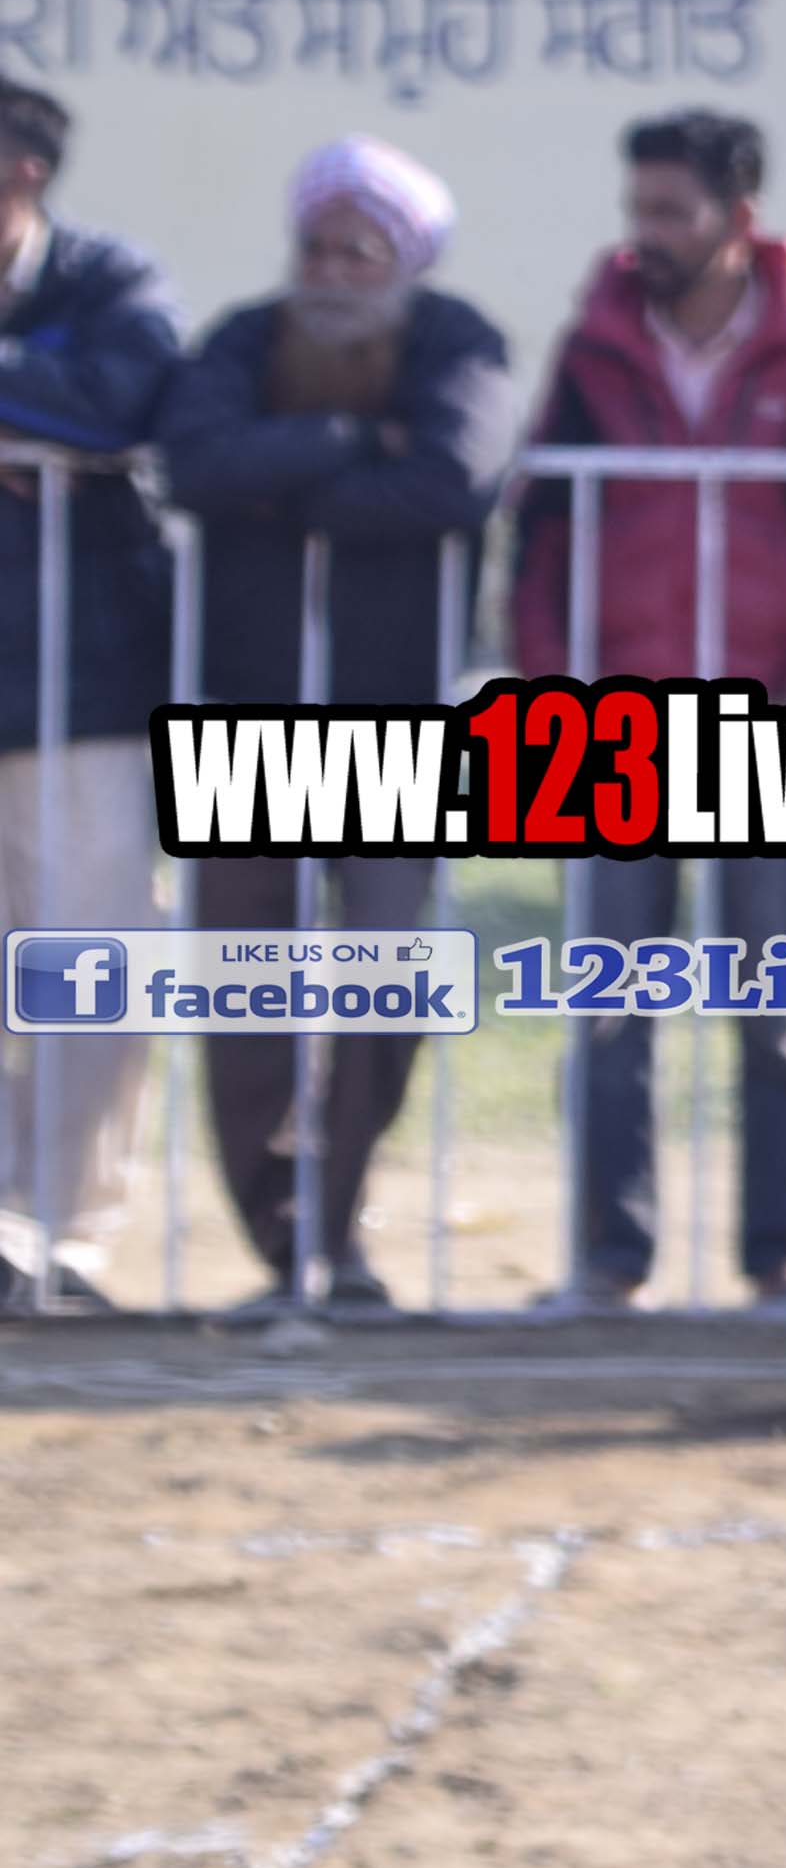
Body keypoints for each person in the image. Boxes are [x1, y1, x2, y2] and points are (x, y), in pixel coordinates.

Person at [507, 111, 786, 1309]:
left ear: (739, 216)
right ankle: (609, 1257)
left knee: (777, 1009)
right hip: (617, 724)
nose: (646, 234)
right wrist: (553, 686)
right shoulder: (595, 346)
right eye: (639, 209)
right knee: (609, 1005)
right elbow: (544, 530)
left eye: (672, 211)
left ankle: (780, 1252)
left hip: (777, 725)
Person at [152, 142, 517, 1312]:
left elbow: (452, 473)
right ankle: (283, 1243)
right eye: (316, 245)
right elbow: (195, 462)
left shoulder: (456, 338)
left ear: (406, 257)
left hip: (394, 720)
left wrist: (282, 485)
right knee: (242, 988)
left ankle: (339, 1222)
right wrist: (355, 441)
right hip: (244, 713)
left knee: (385, 976)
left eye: (359, 250)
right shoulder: (243, 338)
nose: (331, 269)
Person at [0, 77, 185, 1311]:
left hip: (82, 685)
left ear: (24, 171)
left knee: (88, 963)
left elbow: (125, 399)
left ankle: (64, 1233)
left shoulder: (108, 279)